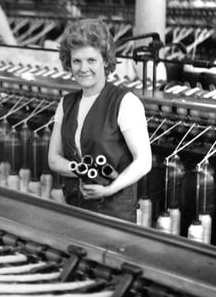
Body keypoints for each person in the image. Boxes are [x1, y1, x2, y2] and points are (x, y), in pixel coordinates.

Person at [47, 19, 152, 222]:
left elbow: (144, 162)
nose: (83, 68)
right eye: (77, 61)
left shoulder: (125, 102)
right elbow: (54, 158)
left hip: (113, 214)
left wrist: (109, 189)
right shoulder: (66, 103)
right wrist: (80, 170)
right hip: (75, 209)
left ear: (105, 60)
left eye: (91, 60)